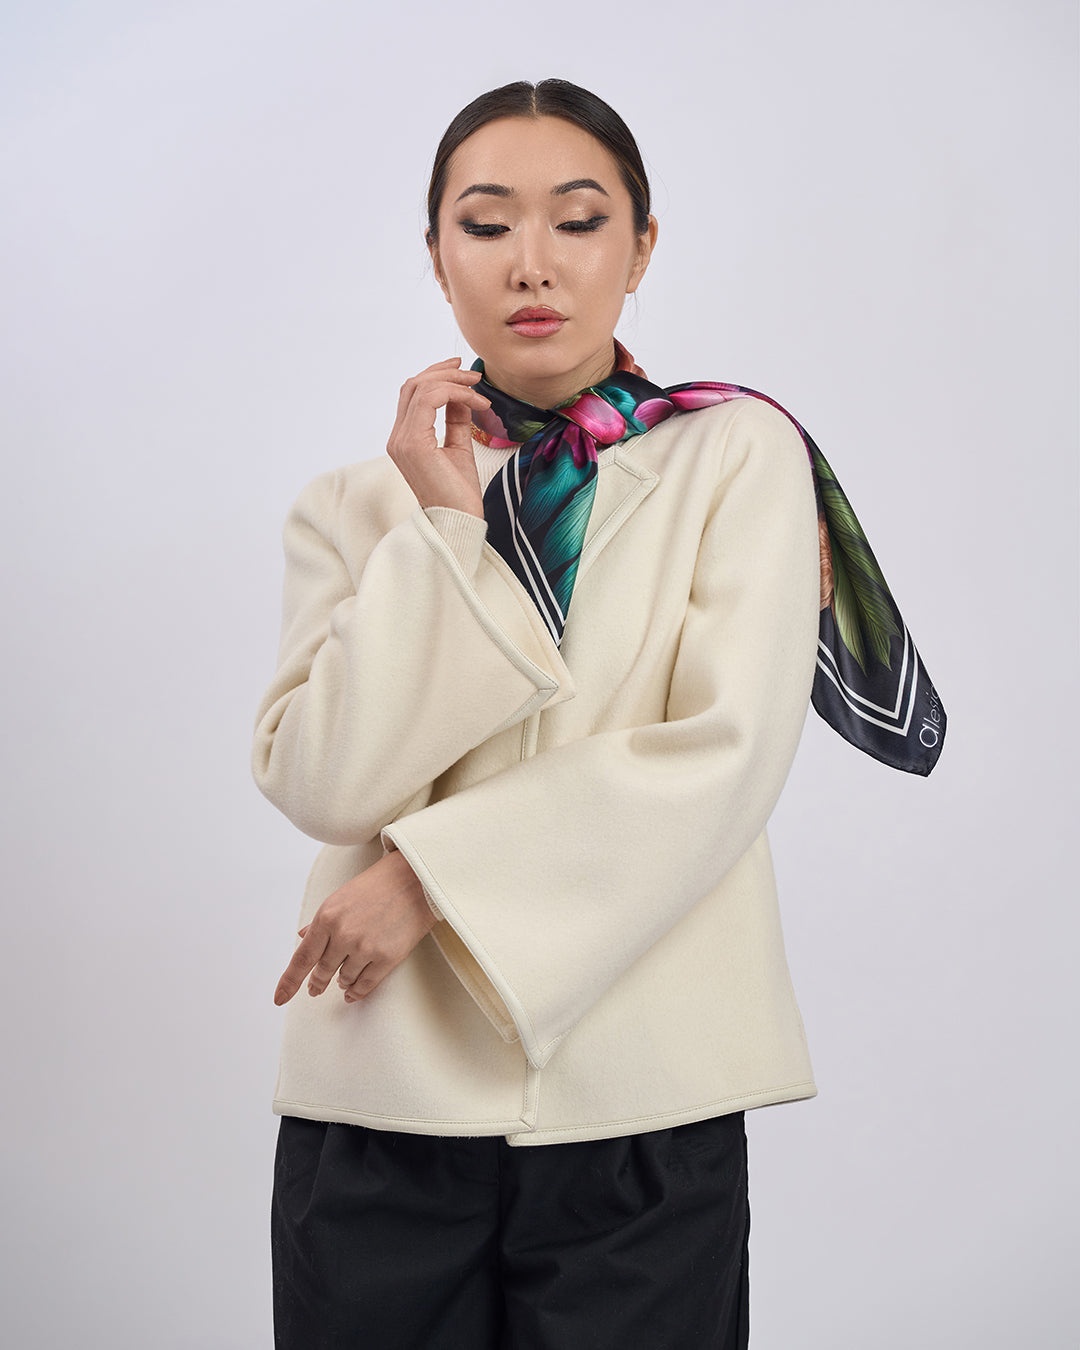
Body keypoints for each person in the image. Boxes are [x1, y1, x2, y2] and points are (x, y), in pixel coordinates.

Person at [253, 78, 944, 1350]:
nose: (533, 263)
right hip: (381, 1092)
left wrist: (431, 880)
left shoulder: (736, 453)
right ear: (435, 255)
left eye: (578, 221)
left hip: (645, 1096)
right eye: (485, 224)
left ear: (641, 246)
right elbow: (322, 781)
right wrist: (447, 531)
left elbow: (722, 753)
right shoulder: (354, 501)